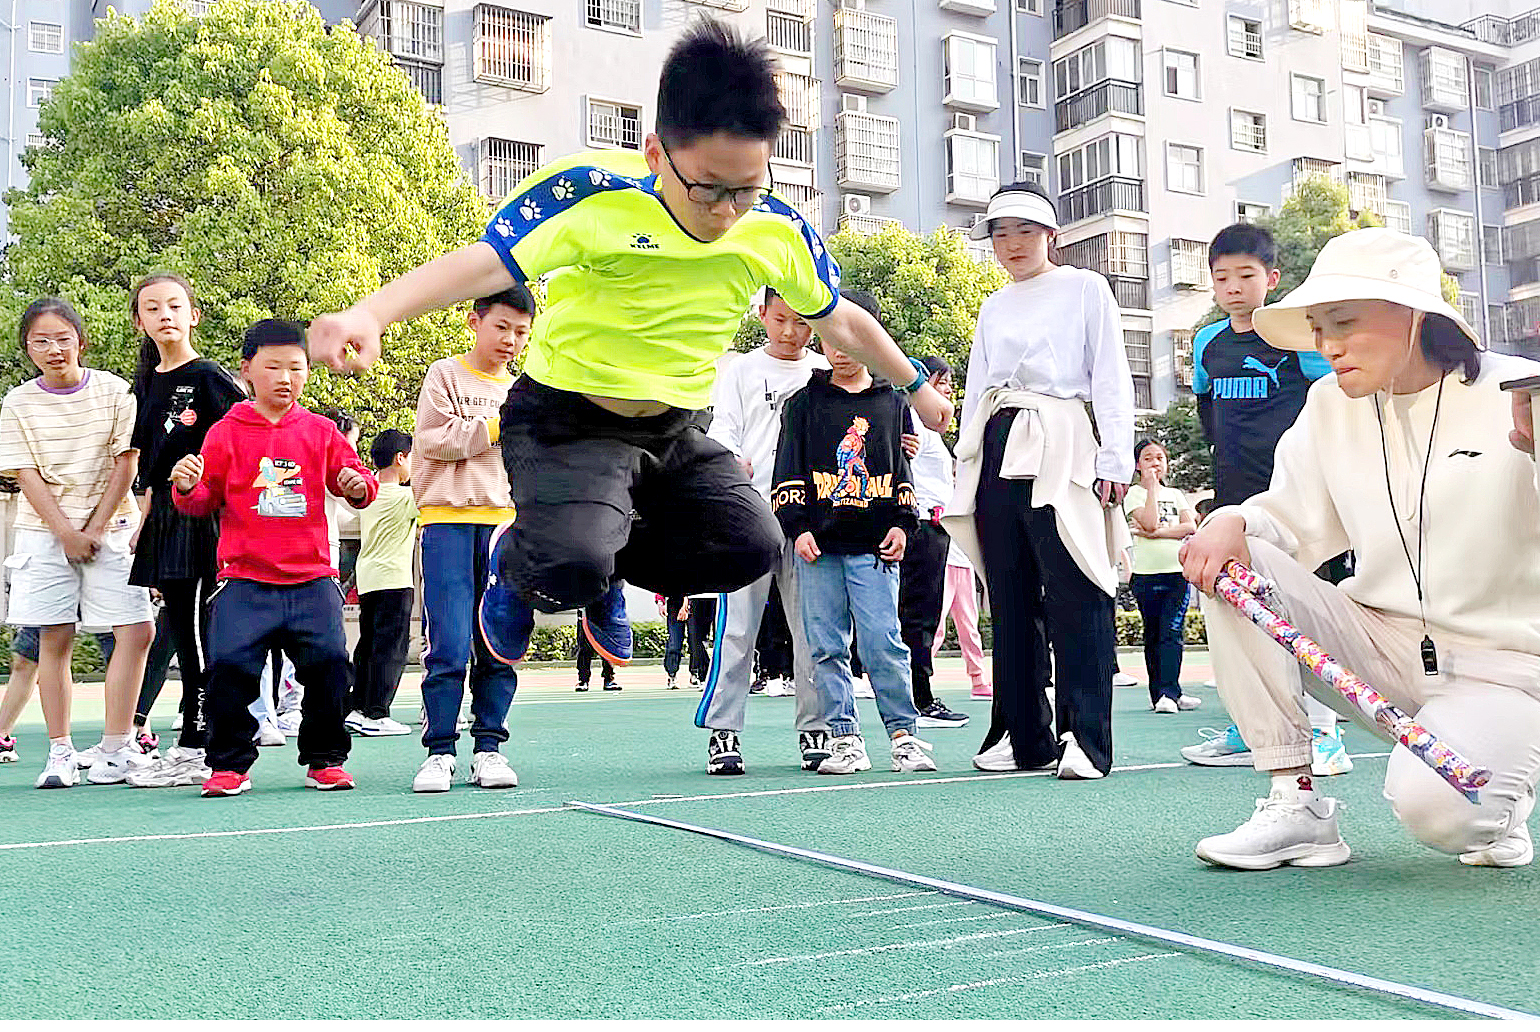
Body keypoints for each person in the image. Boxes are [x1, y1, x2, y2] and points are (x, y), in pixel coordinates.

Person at [306, 19, 952, 691]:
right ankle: (525, 560)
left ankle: (594, 547)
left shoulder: (777, 231)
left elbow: (841, 319)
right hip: (566, 421)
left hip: (672, 430)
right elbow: (482, 264)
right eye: (708, 188)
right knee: (569, 567)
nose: (727, 211)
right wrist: (370, 312)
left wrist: (914, 386)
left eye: (747, 188)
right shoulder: (591, 195)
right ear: (654, 154)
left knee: (750, 546)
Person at [1181, 227, 1540, 870]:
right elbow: (1289, 520)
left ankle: (1500, 807)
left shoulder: (1520, 393)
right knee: (1232, 559)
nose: (1328, 346)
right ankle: (1295, 801)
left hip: (1506, 667)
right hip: (1376, 647)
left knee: (1444, 814)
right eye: (1318, 327)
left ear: (1413, 315)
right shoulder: (1328, 403)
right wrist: (1231, 518)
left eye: (1343, 322)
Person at [942, 182, 1134, 781]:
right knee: (1010, 590)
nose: (1012, 244)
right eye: (1000, 233)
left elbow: (1110, 374)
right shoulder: (994, 304)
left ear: (1052, 235)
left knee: (1077, 585)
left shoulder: (1085, 288)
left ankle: (1086, 738)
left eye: (1025, 230)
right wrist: (963, 465)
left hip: (1063, 437)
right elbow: (976, 386)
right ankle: (1022, 734)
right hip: (998, 440)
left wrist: (1115, 462)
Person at [170, 319, 377, 796]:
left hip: (312, 580)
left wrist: (357, 486)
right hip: (244, 580)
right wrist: (185, 487)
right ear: (248, 370)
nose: (286, 377)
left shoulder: (322, 431)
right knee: (227, 668)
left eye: (297, 368)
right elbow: (204, 499)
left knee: (328, 663)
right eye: (273, 367)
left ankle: (325, 759)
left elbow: (357, 480)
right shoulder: (225, 432)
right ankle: (228, 765)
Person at [1183, 223, 1351, 776]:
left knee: (1305, 610)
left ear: (1271, 279)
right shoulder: (1207, 342)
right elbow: (1210, 414)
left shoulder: (1297, 337)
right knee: (1239, 608)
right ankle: (1250, 725)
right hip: (1234, 498)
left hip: (1297, 499)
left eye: (1246, 275)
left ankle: (1325, 735)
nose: (1233, 286)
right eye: (1222, 276)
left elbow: (1332, 407)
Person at [0, 297, 155, 788]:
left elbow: (126, 463)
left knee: (137, 630)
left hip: (112, 527)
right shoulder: (18, 402)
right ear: (28, 349)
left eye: (62, 339)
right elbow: (25, 472)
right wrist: (66, 533)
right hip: (44, 533)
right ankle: (60, 751)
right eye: (41, 341)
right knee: (54, 637)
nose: (53, 349)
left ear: (81, 342)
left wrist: (91, 529)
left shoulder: (114, 392)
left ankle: (116, 746)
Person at [770, 333, 935, 776]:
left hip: (874, 546)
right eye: (829, 342)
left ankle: (905, 737)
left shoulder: (892, 402)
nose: (839, 352)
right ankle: (844, 739)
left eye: (848, 342)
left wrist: (903, 523)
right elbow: (788, 465)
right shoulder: (803, 403)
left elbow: (902, 472)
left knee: (884, 643)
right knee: (825, 647)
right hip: (819, 548)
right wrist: (797, 527)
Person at [117, 273, 247, 789]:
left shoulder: (209, 376)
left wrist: (204, 472)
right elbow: (148, 464)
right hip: (163, 522)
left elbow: (246, 438)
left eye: (174, 306)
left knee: (195, 636)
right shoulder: (145, 384)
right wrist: (142, 521)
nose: (164, 315)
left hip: (201, 519)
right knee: (179, 633)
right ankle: (197, 741)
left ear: (193, 314)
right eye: (152, 309)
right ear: (140, 322)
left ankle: (202, 746)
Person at [696, 287, 829, 774]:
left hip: (810, 521)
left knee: (812, 630)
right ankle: (723, 731)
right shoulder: (742, 371)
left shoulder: (823, 373)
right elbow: (723, 430)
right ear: (762, 315)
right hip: (749, 515)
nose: (791, 332)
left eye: (802, 322)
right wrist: (731, 462)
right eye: (780, 320)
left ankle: (817, 729)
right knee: (737, 629)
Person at [409, 287, 532, 792]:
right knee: (450, 642)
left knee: (499, 643)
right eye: (502, 327)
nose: (510, 340)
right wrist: (497, 426)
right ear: (475, 321)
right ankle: (440, 751)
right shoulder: (445, 375)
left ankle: (489, 748)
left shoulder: (528, 389)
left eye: (521, 332)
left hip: (506, 525)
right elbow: (433, 441)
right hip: (447, 520)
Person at [902, 355, 970, 729]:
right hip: (921, 524)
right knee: (919, 615)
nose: (946, 392)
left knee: (922, 614)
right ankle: (919, 698)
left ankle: (916, 694)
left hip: (934, 526)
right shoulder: (913, 420)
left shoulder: (930, 431)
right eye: (940, 383)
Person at [345, 429, 418, 736]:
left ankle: (357, 707)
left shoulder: (368, 492)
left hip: (369, 579)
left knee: (368, 646)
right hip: (395, 579)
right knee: (391, 649)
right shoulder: (406, 497)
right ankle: (377, 713)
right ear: (400, 458)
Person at [1124, 439, 1200, 714]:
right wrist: (1153, 489)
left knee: (1172, 632)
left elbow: (1189, 526)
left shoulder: (1178, 494)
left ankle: (1171, 692)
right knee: (1154, 633)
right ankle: (1160, 694)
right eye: (1148, 458)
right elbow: (1150, 521)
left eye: (1160, 458)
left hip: (1177, 573)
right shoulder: (1133, 494)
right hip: (1145, 574)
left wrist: (1156, 534)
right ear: (1137, 465)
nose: (1155, 463)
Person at [0, 625, 118, 765]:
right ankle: (3, 737)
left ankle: (138, 735)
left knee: (121, 651)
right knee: (27, 656)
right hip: (52, 605)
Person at [574, 625, 618, 692]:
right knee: (585, 649)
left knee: (607, 649)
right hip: (586, 619)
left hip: (604, 620)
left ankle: (609, 679)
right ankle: (583, 681)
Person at [659, 594, 688, 689]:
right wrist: (660, 602)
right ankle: (672, 674)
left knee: (696, 641)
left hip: (696, 601)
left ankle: (697, 673)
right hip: (675, 601)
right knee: (674, 642)